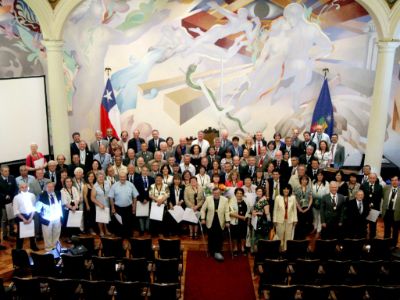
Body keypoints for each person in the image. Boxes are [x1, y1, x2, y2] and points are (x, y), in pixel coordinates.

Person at [201, 187, 230, 261]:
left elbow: (227, 211)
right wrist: (203, 218)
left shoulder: (225, 200)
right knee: (211, 236)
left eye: (217, 193)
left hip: (220, 221)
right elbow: (203, 210)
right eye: (214, 193)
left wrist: (227, 221)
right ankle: (211, 251)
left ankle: (218, 251)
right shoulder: (208, 199)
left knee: (219, 237)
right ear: (212, 193)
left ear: (220, 193)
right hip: (210, 220)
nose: (216, 194)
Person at [109, 171, 139, 238]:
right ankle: (120, 237)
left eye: (124, 177)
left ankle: (128, 237)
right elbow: (111, 197)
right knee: (119, 224)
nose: (122, 178)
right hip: (118, 208)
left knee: (128, 224)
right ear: (119, 177)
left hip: (128, 208)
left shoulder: (131, 185)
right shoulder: (114, 185)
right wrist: (113, 207)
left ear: (126, 177)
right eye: (121, 177)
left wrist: (134, 206)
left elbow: (135, 196)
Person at [35, 182, 63, 251]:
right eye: (49, 187)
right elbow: (37, 209)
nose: (51, 188)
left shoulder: (58, 193)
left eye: (52, 187)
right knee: (47, 235)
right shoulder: (42, 195)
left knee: (56, 233)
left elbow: (60, 205)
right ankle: (49, 249)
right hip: (47, 219)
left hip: (57, 218)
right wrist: (42, 214)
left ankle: (55, 247)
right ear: (45, 188)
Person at [13, 183, 38, 251]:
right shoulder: (16, 197)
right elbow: (16, 210)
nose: (24, 188)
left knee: (32, 232)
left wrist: (31, 217)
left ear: (28, 187)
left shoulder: (32, 195)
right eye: (22, 187)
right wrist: (23, 219)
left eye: (26, 187)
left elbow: (34, 207)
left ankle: (33, 245)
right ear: (20, 188)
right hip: (21, 216)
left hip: (30, 215)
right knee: (20, 233)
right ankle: (19, 248)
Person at [273, 184, 297, 251]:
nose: (286, 190)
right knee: (279, 236)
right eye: (284, 189)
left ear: (289, 190)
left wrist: (295, 220)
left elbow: (294, 209)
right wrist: (274, 220)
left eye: (287, 189)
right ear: (282, 190)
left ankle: (286, 250)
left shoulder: (293, 198)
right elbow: (275, 210)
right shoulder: (278, 197)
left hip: (290, 220)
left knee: (288, 237)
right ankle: (279, 250)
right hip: (279, 220)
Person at [360, 173, 383, 239]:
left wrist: (373, 204)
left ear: (376, 179)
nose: (372, 179)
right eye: (371, 178)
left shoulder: (379, 186)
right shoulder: (364, 185)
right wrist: (367, 204)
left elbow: (379, 198)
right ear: (368, 178)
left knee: (373, 226)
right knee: (363, 225)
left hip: (375, 209)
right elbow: (361, 197)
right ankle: (363, 239)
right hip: (365, 208)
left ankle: (372, 240)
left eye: (373, 178)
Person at [134, 166, 155, 235]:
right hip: (140, 201)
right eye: (143, 170)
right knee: (141, 215)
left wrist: (148, 199)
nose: (145, 172)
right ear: (141, 171)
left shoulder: (151, 179)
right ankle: (142, 230)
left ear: (148, 172)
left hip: (149, 200)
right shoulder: (136, 179)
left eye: (146, 171)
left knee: (148, 215)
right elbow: (135, 191)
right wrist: (142, 199)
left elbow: (152, 191)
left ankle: (147, 229)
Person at [229, 188, 249, 255]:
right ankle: (235, 248)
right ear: (235, 194)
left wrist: (246, 217)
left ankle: (243, 248)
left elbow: (248, 210)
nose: (239, 195)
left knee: (243, 235)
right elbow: (230, 213)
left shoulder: (246, 200)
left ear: (243, 194)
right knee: (235, 235)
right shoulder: (231, 201)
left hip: (244, 221)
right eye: (238, 193)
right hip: (235, 221)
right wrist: (241, 217)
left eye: (241, 193)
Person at [61, 177, 82, 242]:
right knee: (68, 223)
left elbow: (78, 198)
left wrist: (75, 206)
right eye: (67, 181)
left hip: (75, 208)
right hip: (67, 209)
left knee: (75, 222)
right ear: (65, 183)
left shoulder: (74, 188)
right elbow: (64, 202)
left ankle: (75, 236)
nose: (69, 183)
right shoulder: (62, 190)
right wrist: (71, 208)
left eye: (70, 181)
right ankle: (67, 237)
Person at [91, 171, 111, 237]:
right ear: (96, 178)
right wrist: (99, 204)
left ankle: (106, 230)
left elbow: (110, 193)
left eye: (102, 177)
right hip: (99, 205)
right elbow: (92, 198)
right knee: (100, 219)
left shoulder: (107, 183)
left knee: (106, 218)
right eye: (99, 177)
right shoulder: (95, 186)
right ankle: (101, 231)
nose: (101, 178)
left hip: (107, 204)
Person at [251, 187, 271, 252]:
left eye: (260, 191)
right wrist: (253, 212)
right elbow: (255, 208)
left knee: (262, 238)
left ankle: (263, 254)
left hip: (263, 222)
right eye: (258, 191)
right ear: (256, 192)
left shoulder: (265, 201)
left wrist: (256, 213)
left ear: (263, 192)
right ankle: (257, 253)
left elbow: (267, 212)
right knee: (256, 238)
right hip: (256, 221)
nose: (259, 193)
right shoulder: (256, 199)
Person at [382, 175, 400, 247]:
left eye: (396, 180)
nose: (394, 182)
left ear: (398, 181)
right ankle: (386, 245)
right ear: (390, 182)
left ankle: (393, 245)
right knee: (386, 230)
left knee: (395, 231)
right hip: (387, 212)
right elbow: (383, 197)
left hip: (397, 213)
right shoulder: (386, 188)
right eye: (392, 180)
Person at [0, 165, 17, 241]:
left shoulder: (12, 178)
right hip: (2, 203)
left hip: (11, 201)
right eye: (5, 171)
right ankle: (4, 234)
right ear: (1, 171)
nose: (7, 172)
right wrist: (4, 196)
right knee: (4, 219)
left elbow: (15, 188)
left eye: (8, 171)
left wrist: (13, 197)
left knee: (12, 218)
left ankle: (12, 231)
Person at [311, 170, 329, 237]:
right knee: (315, 217)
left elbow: (327, 194)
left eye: (321, 175)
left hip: (322, 203)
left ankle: (318, 231)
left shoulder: (326, 183)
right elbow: (311, 192)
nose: (319, 176)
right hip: (314, 203)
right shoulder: (313, 182)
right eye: (318, 175)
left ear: (323, 176)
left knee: (320, 217)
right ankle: (314, 228)